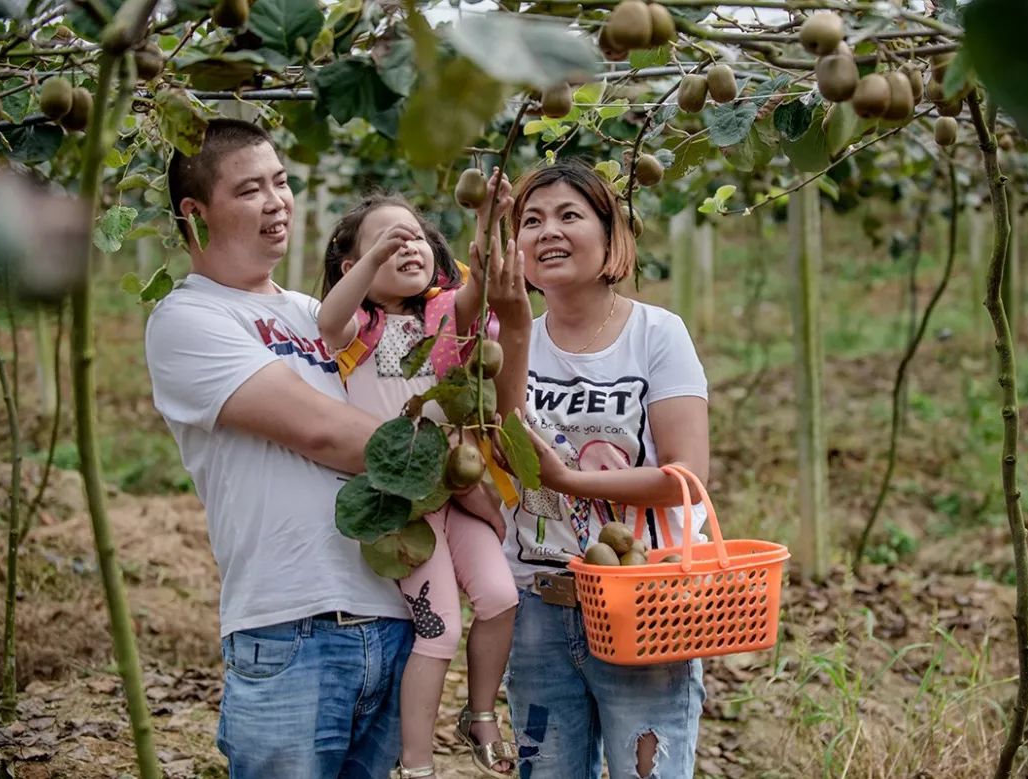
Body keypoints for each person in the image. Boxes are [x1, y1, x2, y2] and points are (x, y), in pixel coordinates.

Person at [144, 118, 520, 779]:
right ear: (196, 213)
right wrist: (464, 477)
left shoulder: (317, 310)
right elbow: (326, 432)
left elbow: (442, 354)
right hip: (292, 625)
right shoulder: (191, 319)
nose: (276, 202)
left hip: (391, 610)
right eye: (250, 190)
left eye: (281, 182)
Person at [497, 160, 711, 779]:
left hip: (644, 604)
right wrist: (510, 326)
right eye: (531, 221)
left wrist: (570, 481)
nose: (548, 232)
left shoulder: (657, 334)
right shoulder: (511, 339)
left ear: (610, 233)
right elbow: (502, 453)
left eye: (569, 215)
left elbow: (687, 477)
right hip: (538, 602)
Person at [318, 189, 526, 779]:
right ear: (353, 266)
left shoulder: (444, 318)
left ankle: (480, 715)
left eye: (415, 237)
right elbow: (327, 320)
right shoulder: (359, 326)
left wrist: (487, 217)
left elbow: (480, 284)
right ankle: (417, 764)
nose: (407, 247)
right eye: (389, 242)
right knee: (441, 630)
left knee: (501, 598)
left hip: (455, 489)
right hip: (402, 506)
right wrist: (370, 260)